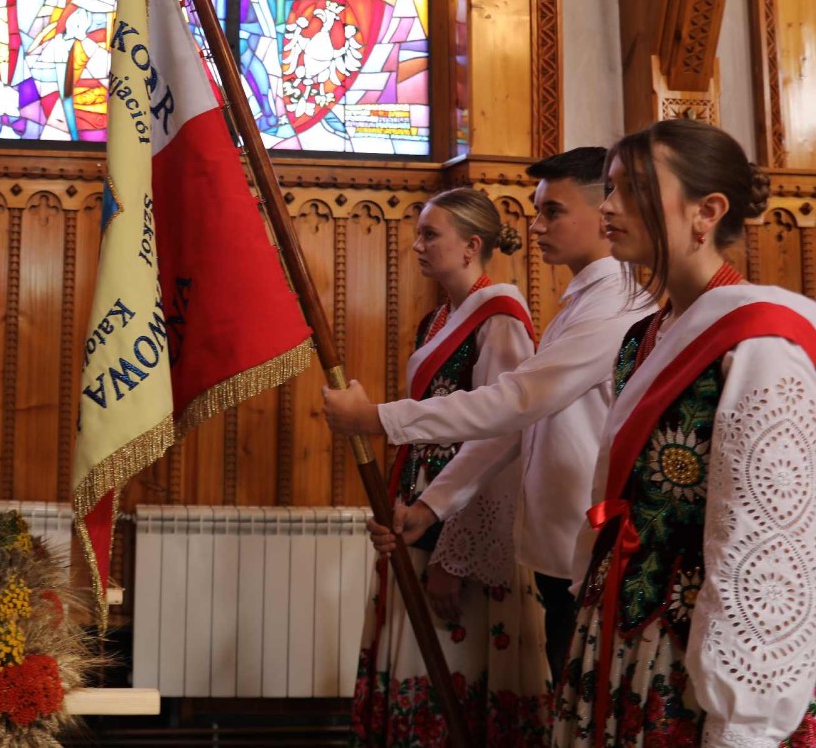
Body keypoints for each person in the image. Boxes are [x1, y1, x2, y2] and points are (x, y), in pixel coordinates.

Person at [324, 149, 655, 686]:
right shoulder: (581, 301)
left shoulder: (613, 305)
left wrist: (376, 419)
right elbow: (519, 426)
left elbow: (515, 401)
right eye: (538, 210)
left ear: (605, 213)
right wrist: (432, 505)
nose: (535, 226)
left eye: (553, 211)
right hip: (558, 541)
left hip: (583, 534)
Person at [549, 119, 816, 745]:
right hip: (620, 620)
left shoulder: (762, 341)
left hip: (695, 639)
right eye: (610, 188)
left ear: (707, 212)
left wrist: (743, 716)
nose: (609, 206)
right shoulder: (644, 334)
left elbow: (767, 536)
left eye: (633, 189)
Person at [343, 187, 550, 746]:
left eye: (430, 234)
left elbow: (501, 440)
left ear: (471, 246)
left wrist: (453, 556)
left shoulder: (501, 318)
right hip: (422, 514)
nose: (418, 246)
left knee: (456, 668)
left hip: (460, 529)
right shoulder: (436, 319)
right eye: (419, 234)